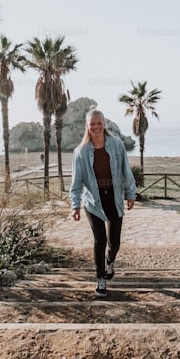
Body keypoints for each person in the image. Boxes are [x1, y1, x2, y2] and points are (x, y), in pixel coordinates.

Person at [70, 108, 136, 297]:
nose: (96, 127)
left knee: (114, 242)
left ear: (104, 124)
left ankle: (110, 261)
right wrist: (75, 205)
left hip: (113, 197)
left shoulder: (116, 145)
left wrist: (131, 194)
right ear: (87, 126)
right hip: (92, 200)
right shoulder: (80, 152)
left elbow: (126, 171)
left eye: (99, 123)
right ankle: (100, 279)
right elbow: (76, 182)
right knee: (99, 240)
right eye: (92, 124)